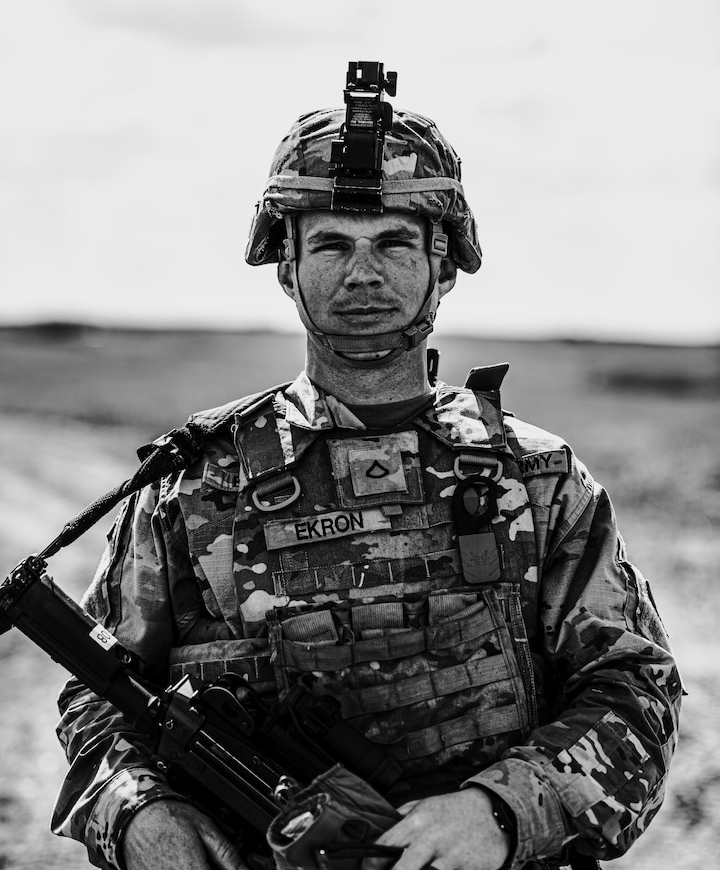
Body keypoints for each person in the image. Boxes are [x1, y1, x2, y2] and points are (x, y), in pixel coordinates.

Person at [52, 62, 682, 870]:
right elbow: (99, 694)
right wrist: (141, 816)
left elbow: (636, 690)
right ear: (287, 267)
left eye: (392, 242)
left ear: (443, 267)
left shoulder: (538, 481)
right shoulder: (193, 486)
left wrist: (501, 812)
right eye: (331, 246)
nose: (362, 275)